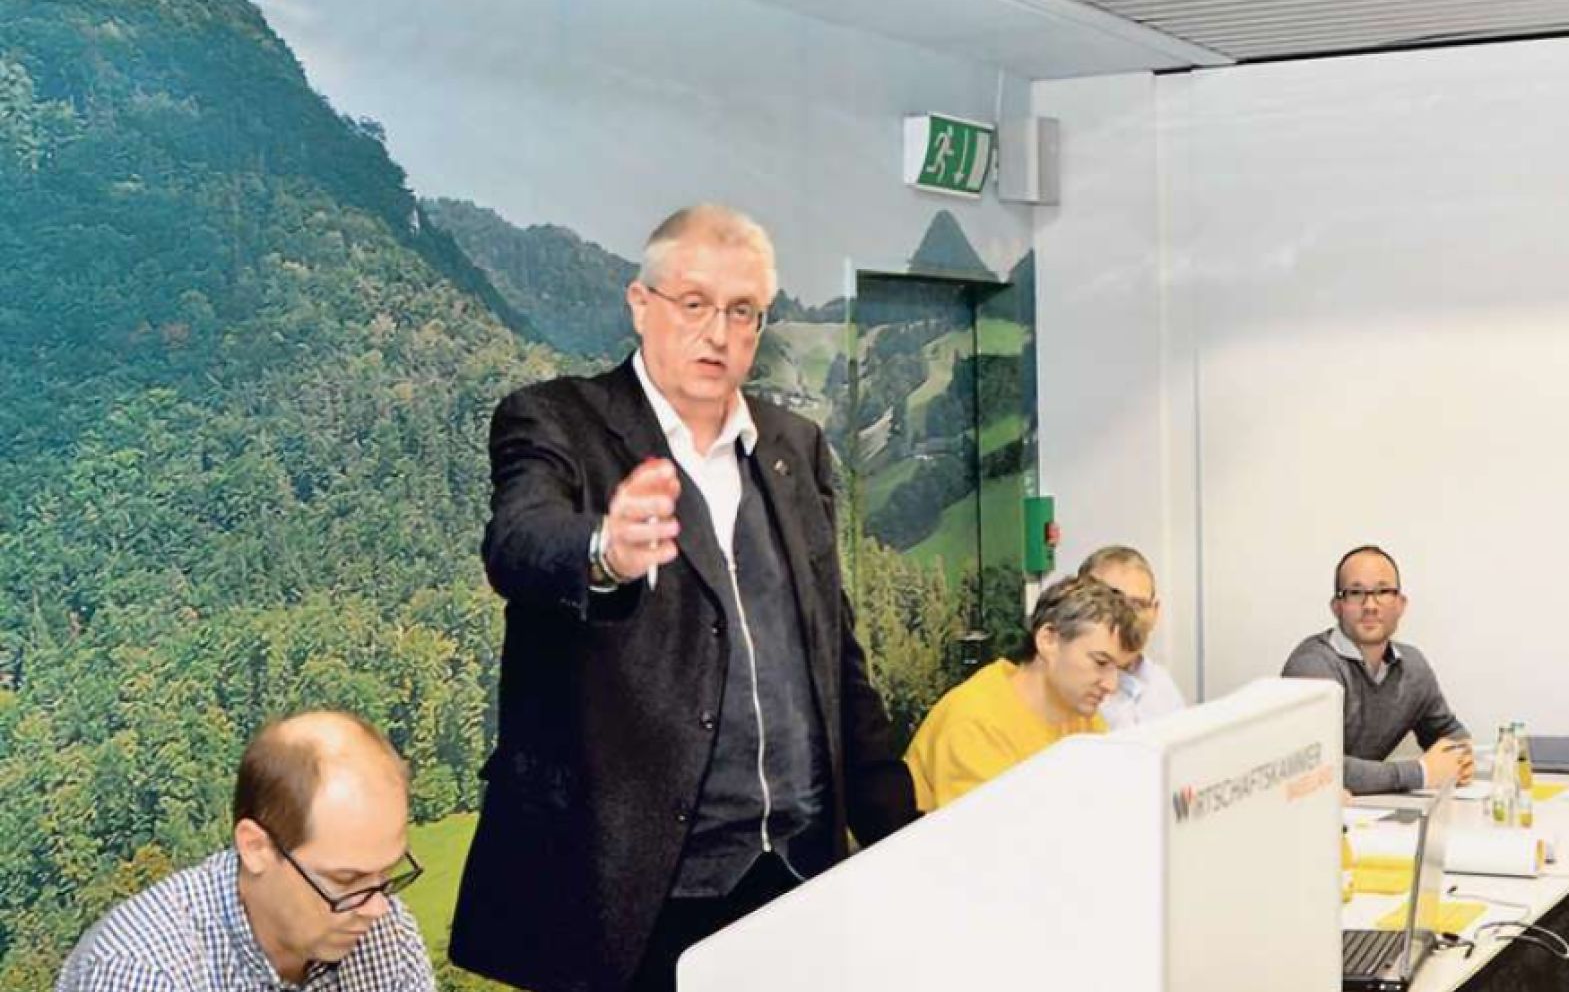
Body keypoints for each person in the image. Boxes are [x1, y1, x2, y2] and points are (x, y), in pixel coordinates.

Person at [450, 204, 916, 992]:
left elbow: (832, 655)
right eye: (694, 303)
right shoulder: (555, 420)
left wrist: (899, 834)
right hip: (637, 893)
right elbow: (519, 543)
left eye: (742, 311)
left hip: (797, 874)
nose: (718, 333)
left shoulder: (795, 447)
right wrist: (604, 549)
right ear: (641, 304)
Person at [57, 712, 434, 992]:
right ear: (256, 848)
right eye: (346, 879)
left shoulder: (386, 931)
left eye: (387, 872)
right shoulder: (143, 972)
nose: (377, 908)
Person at [905, 575, 1145, 812]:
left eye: (1118, 669)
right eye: (1100, 662)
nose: (1111, 685)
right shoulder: (974, 724)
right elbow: (991, 833)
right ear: (1048, 640)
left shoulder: (1080, 712)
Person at [1282, 546, 1471, 795]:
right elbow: (1316, 767)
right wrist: (1421, 772)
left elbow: (1449, 733)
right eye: (1356, 593)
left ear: (1401, 605)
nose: (1370, 605)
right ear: (1337, 607)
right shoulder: (1313, 666)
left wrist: (1460, 760)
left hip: (1366, 811)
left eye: (1383, 591)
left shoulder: (1412, 666)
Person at [1078, 545, 1188, 729]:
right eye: (1113, 602)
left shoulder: (1162, 685)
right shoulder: (1071, 689)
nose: (1126, 616)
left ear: (1154, 612)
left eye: (1137, 605)